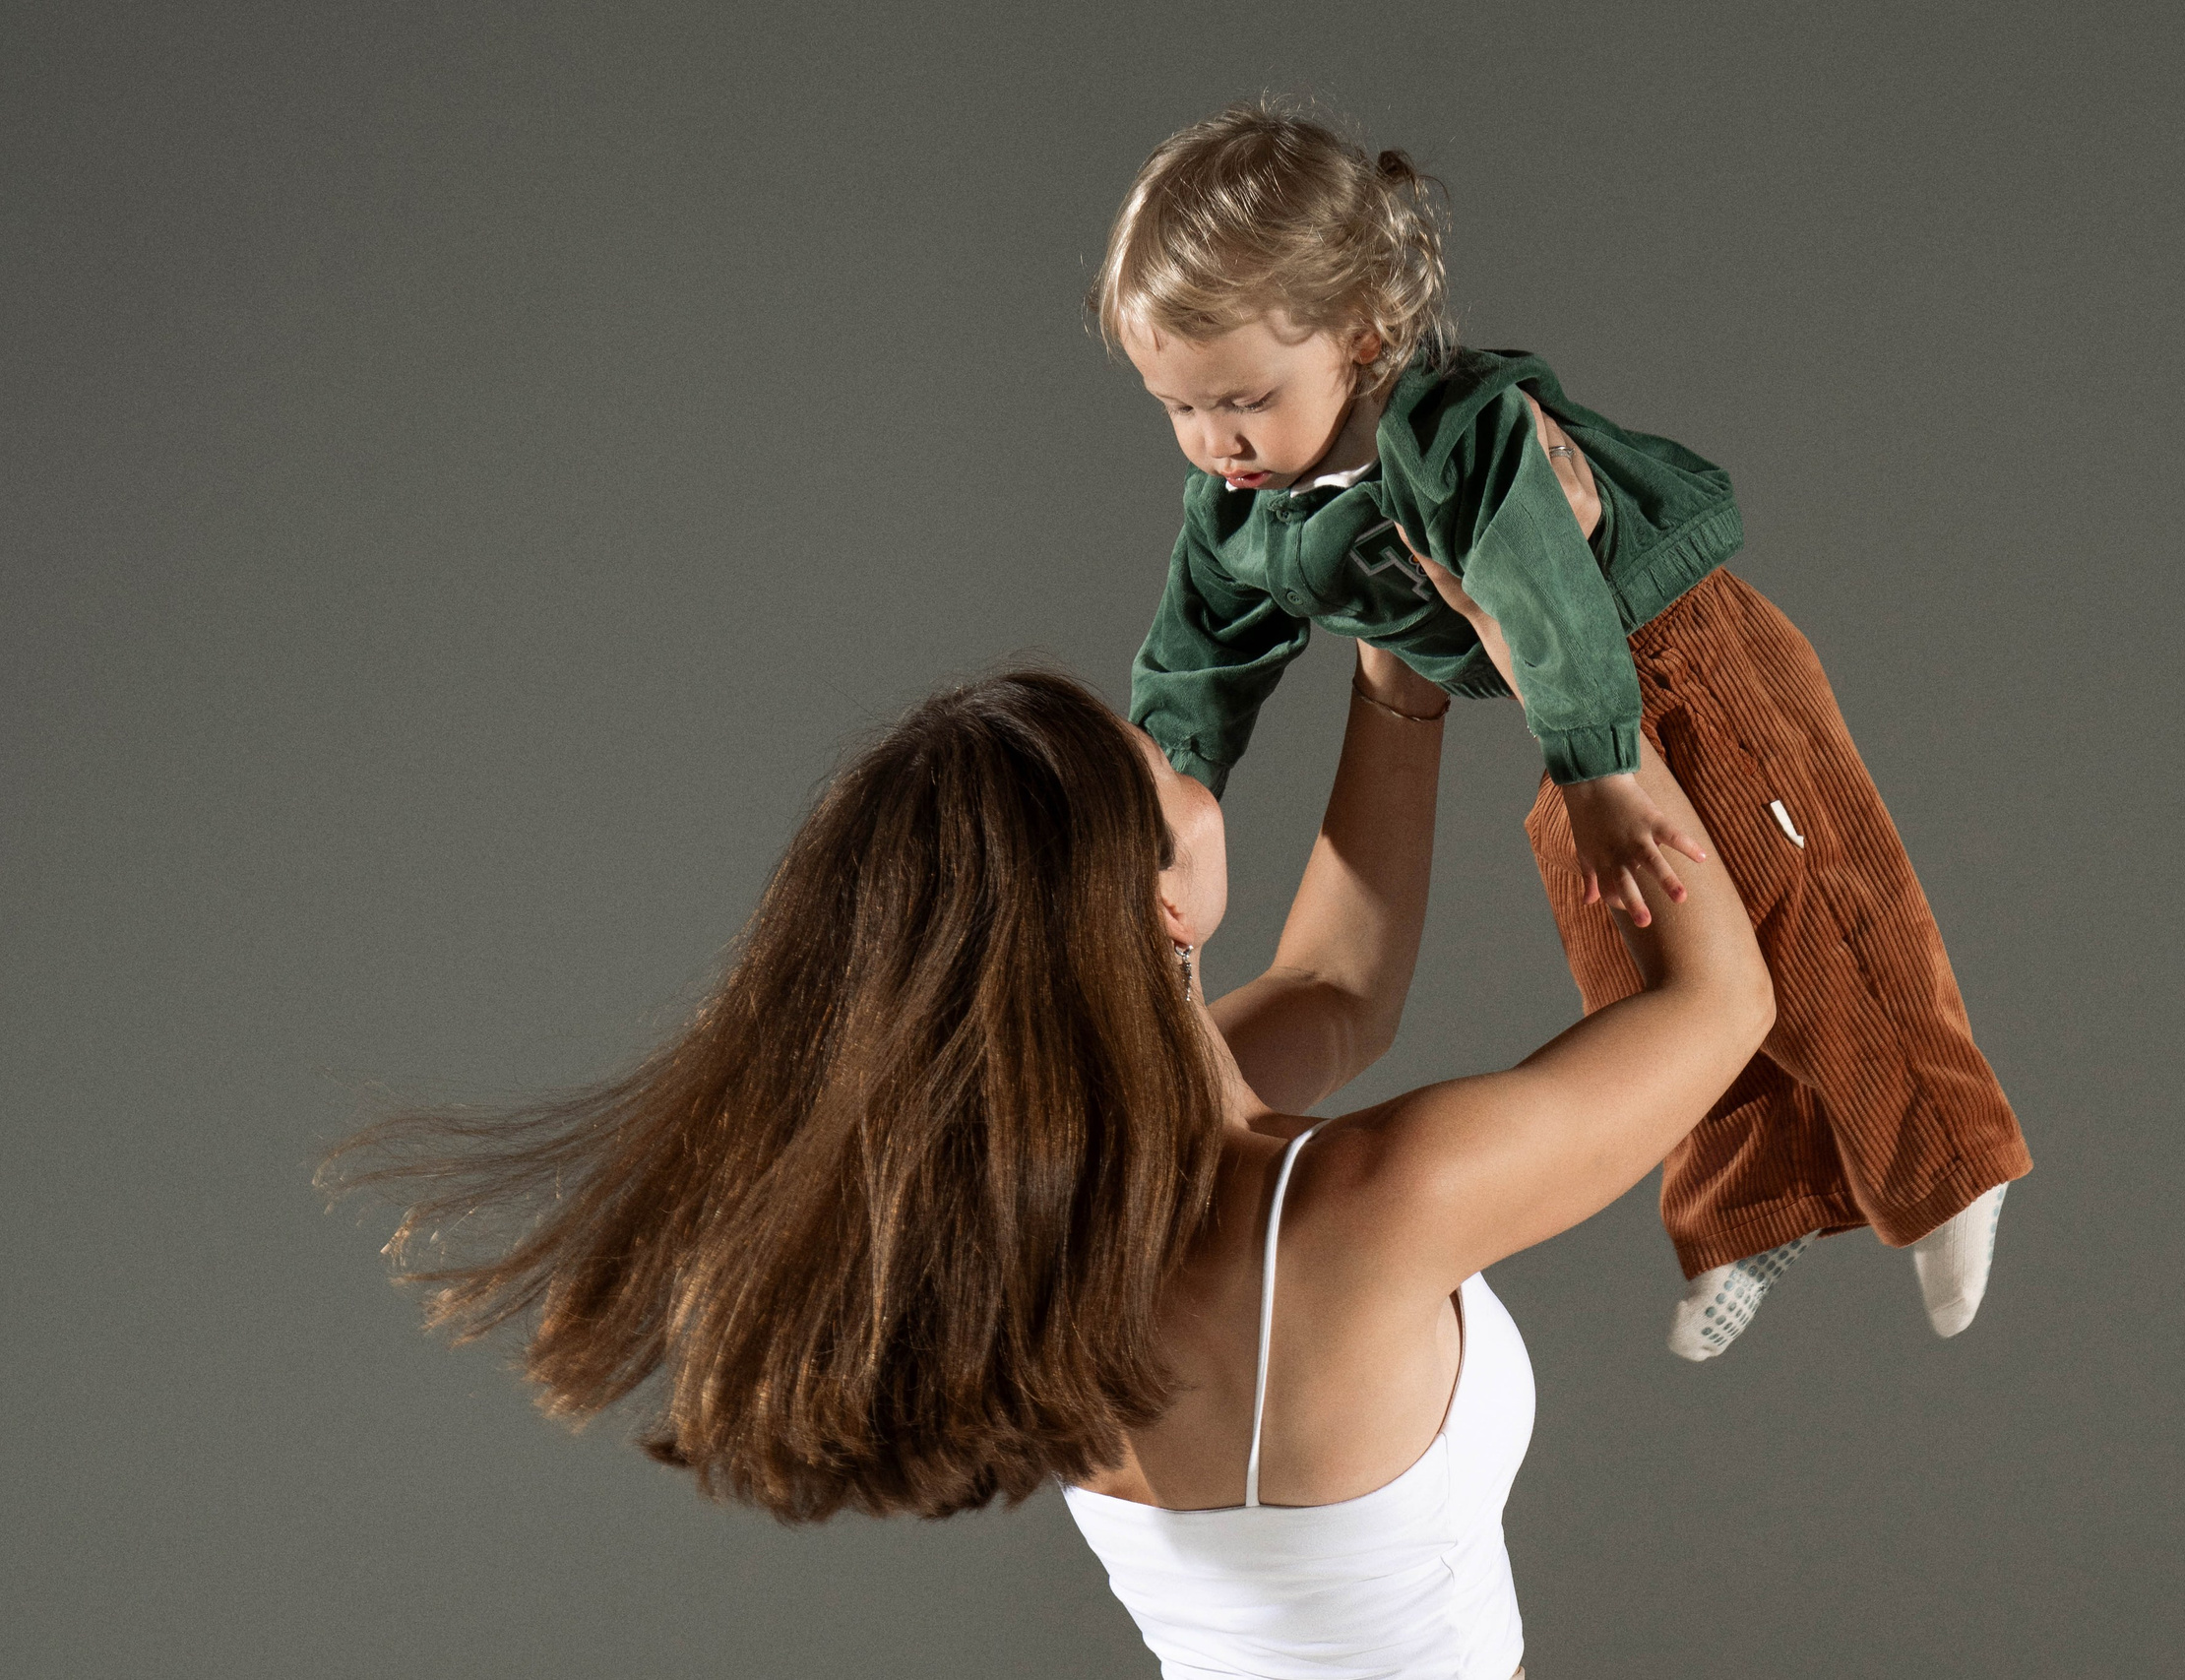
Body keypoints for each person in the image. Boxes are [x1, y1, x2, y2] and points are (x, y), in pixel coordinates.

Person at [323, 643, 1772, 1679]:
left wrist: (1396, 681)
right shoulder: (1357, 1210)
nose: (1194, 759)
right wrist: (1553, 644)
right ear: (1152, 901)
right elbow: (1724, 1005)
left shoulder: (1062, 1206)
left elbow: (1340, 990)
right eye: (1164, 773)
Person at [1099, 102, 2030, 1357]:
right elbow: (1194, 659)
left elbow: (1539, 593)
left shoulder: (1457, 432)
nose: (1215, 446)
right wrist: (1157, 788)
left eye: (1243, 401)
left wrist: (1596, 766)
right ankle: (1751, 1202)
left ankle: (1947, 1162)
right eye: (1178, 410)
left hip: (1673, 653)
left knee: (1810, 900)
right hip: (1560, 708)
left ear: (1362, 335)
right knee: (1639, 959)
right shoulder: (1240, 512)